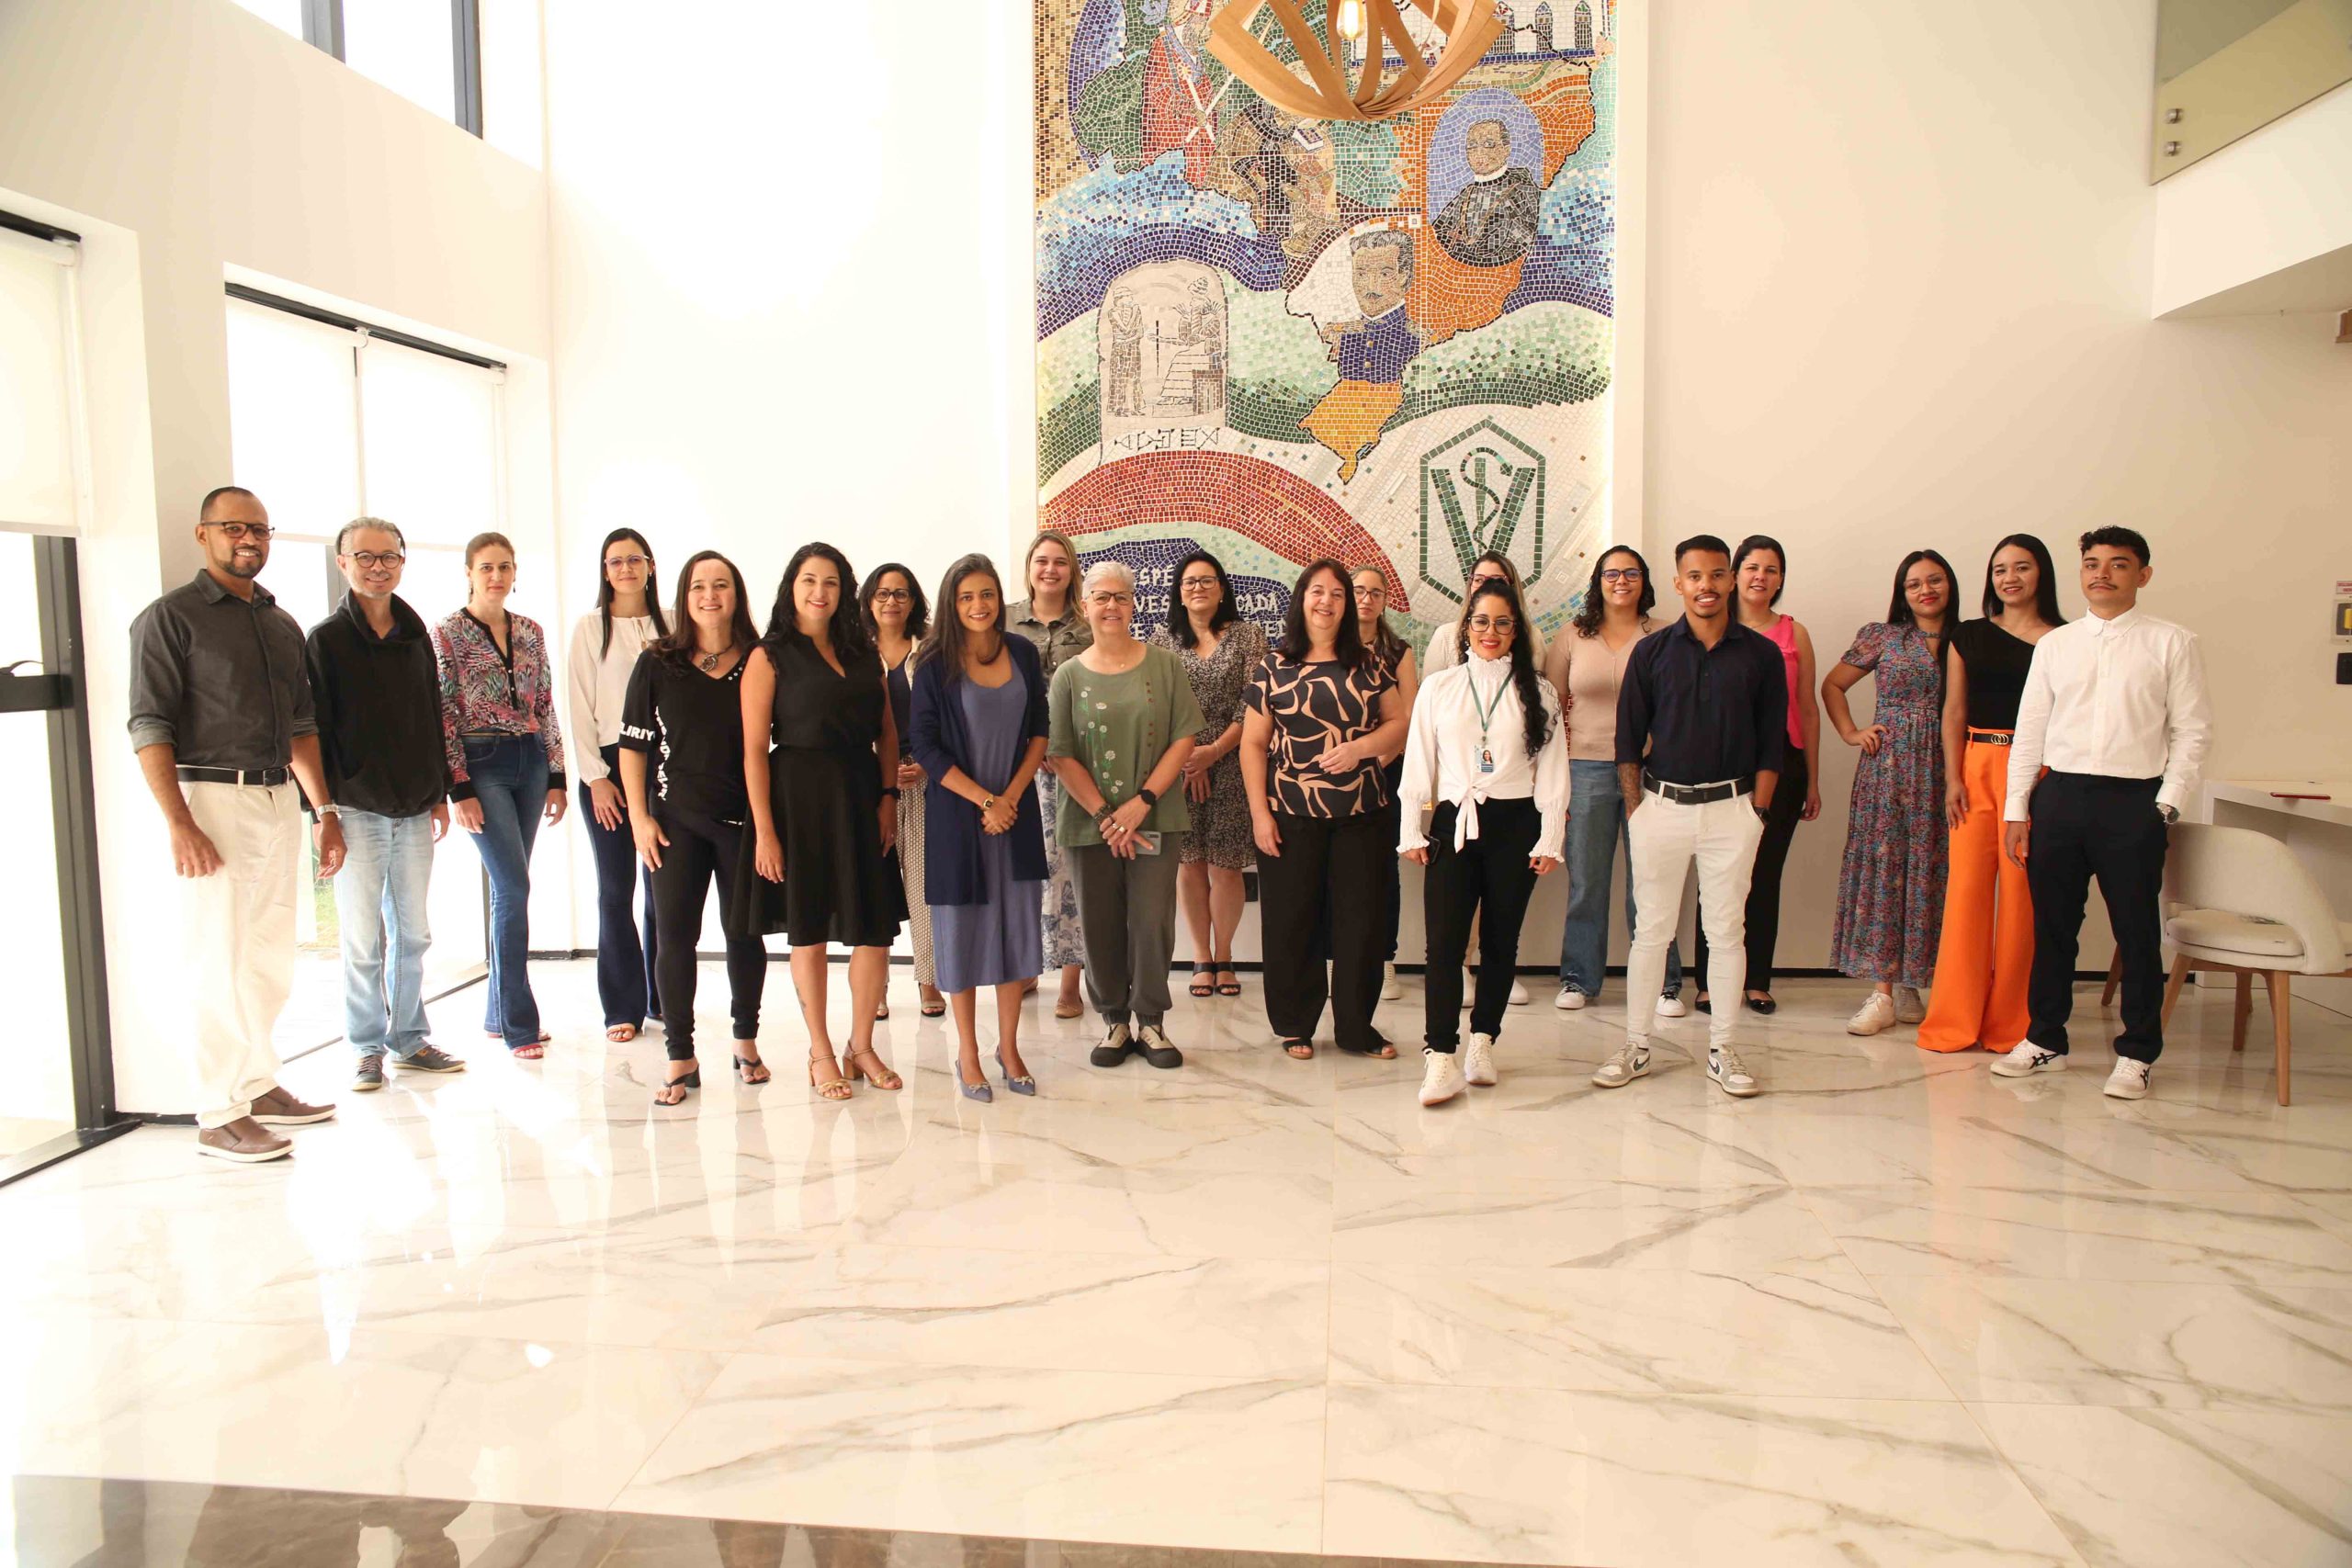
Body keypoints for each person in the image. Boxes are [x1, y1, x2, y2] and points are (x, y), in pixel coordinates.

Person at [129, 486, 342, 1161]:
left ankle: (256, 1083)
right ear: (203, 534)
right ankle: (219, 1112)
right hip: (211, 801)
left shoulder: (279, 625)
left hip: (280, 799)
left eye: (258, 528)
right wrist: (179, 822)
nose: (248, 538)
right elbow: (148, 724)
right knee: (216, 957)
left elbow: (302, 727)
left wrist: (324, 810)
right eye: (233, 528)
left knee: (270, 953)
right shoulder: (170, 619)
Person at [1993, 527, 2210, 1100]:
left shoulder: (2172, 642)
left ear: (2143, 574)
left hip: (2133, 802)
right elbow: (2030, 732)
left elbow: (2192, 731)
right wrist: (2018, 809)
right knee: (2053, 927)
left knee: (2135, 931)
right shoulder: (2055, 645)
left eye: (2118, 564)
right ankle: (2045, 1038)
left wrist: (2167, 804)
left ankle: (2138, 1052)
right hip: (2060, 797)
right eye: (2091, 563)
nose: (2102, 573)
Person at [1595, 535, 1785, 1100]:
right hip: (1662, 807)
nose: (1707, 585)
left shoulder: (1761, 654)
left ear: (1730, 581)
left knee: (1726, 933)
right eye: (1695, 576)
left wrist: (1758, 812)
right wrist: (1638, 812)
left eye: (1717, 574)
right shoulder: (1652, 653)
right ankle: (1636, 1045)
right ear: (1678, 583)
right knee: (1651, 932)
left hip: (1734, 811)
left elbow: (1774, 742)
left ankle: (1723, 1050)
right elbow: (1627, 741)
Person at [736, 543, 906, 1101]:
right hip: (797, 801)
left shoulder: (863, 653)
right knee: (806, 928)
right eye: (809, 580)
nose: (819, 592)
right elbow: (754, 751)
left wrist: (887, 799)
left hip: (860, 797)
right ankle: (820, 1050)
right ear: (791, 586)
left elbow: (887, 734)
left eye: (831, 582)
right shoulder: (769, 655)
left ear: (843, 591)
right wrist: (764, 830)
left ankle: (861, 1045)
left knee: (873, 929)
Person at [304, 517, 466, 1092]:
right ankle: (366, 1045)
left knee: (414, 933)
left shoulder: (415, 632)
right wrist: (325, 813)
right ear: (343, 562)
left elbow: (431, 716)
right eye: (364, 557)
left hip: (416, 806)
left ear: (402, 561)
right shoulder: (325, 640)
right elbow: (314, 730)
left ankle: (410, 1040)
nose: (378, 567)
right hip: (356, 808)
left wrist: (440, 792)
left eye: (388, 557)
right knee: (361, 939)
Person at [1397, 577, 1568, 1106]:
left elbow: (1554, 771)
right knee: (1443, 946)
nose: (1490, 631)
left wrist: (1550, 837)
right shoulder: (1440, 688)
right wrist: (1410, 828)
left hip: (1515, 825)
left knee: (1500, 943)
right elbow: (1419, 763)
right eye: (1481, 621)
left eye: (1501, 622)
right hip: (1454, 822)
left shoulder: (1537, 692)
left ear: (1515, 631)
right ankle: (1440, 1056)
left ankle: (1482, 1043)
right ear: (1464, 629)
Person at [617, 550, 769, 1106]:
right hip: (672, 823)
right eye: (699, 586)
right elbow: (633, 745)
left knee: (744, 935)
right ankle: (680, 1053)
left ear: (737, 594)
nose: (710, 596)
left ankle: (746, 1040)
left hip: (743, 824)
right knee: (675, 937)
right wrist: (638, 817)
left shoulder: (760, 658)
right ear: (684, 597)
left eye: (721, 585)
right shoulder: (658, 661)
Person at [1241, 558, 1408, 1059]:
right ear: (1302, 599)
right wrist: (1259, 814)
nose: (1327, 602)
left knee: (1362, 924)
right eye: (1318, 592)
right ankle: (1295, 1024)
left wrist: (1360, 749)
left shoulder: (1373, 662)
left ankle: (1357, 1028)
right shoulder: (1273, 665)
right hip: (1290, 814)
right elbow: (1253, 744)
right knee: (1292, 920)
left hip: (1363, 814)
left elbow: (1400, 724)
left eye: (1338, 594)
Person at [1049, 560, 1204, 1068]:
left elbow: (1184, 737)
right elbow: (1059, 753)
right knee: (1099, 922)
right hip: (1089, 823)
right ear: (1085, 605)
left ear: (1134, 604)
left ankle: (1152, 1022)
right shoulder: (1067, 677)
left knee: (1152, 921)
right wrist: (1105, 816)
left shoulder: (1165, 666)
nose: (1111, 606)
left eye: (1120, 597)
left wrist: (1140, 804)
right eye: (1101, 597)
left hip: (1155, 816)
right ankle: (1114, 1020)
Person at [910, 554, 1053, 1100]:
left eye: (987, 594)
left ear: (1001, 597)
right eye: (966, 596)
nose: (978, 605)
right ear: (952, 602)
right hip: (957, 818)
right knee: (963, 935)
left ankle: (1009, 1046)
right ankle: (967, 1052)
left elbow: (1039, 728)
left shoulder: (1020, 651)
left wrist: (1010, 798)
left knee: (1016, 932)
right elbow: (924, 744)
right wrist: (985, 800)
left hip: (1012, 815)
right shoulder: (935, 663)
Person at [1917, 536, 2064, 1055]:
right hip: (1975, 766)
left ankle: (2013, 1024)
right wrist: (1952, 777)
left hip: (2038, 773)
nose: (2009, 578)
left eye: (2021, 568)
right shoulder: (1970, 635)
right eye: (2000, 569)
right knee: (1967, 895)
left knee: (2023, 899)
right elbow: (1953, 711)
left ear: (2040, 574)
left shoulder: (2064, 639)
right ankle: (1955, 1019)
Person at [435, 532, 568, 1059]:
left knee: (508, 889)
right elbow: (443, 713)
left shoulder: (531, 632)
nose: (497, 577)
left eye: (505, 567)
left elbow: (546, 703)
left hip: (530, 760)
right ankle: (518, 1023)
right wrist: (458, 786)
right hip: (481, 762)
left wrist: (557, 774)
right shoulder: (446, 634)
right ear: (468, 571)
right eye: (487, 567)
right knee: (513, 889)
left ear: (516, 573)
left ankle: (495, 1012)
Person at [1544, 546, 1682, 1015]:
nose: (1621, 580)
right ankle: (1579, 979)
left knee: (1651, 879)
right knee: (1588, 881)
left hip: (1652, 771)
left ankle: (1664, 984)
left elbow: (1681, 710)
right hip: (1586, 767)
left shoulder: (1665, 635)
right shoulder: (1571, 637)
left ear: (1644, 580)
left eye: (1631, 572)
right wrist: (1556, 780)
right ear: (1597, 581)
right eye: (1611, 573)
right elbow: (1552, 712)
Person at [1824, 549, 1955, 1035]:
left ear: (1950, 584)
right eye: (1914, 583)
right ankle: (1880, 992)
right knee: (1887, 867)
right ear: (1902, 593)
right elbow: (1833, 685)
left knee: (1932, 870)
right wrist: (1851, 732)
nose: (1926, 590)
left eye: (1935, 580)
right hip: (1890, 767)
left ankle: (1912, 984)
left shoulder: (1971, 637)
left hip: (1948, 767)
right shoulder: (1884, 636)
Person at [1692, 536, 1823, 1015]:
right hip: (1726, 765)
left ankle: (1757, 980)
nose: (1759, 577)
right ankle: (1708, 981)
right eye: (1751, 567)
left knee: (1765, 875)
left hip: (1783, 763)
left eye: (1771, 569)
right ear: (1732, 575)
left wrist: (1811, 778)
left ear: (1780, 579)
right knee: (1718, 874)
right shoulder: (1713, 628)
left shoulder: (1794, 633)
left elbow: (1807, 709)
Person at [1428, 549, 1547, 1006]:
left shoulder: (1531, 638)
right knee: (1453, 905)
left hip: (1509, 788)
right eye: (1479, 579)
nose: (1486, 586)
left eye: (1497, 580)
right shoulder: (1446, 637)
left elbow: (1534, 716)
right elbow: (1435, 722)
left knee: (1500, 908)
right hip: (1459, 790)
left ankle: (1487, 967)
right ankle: (1458, 968)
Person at [566, 528, 668, 1043]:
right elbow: (579, 709)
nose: (625, 569)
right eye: (614, 561)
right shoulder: (589, 629)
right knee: (615, 889)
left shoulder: (672, 624)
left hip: (663, 764)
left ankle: (662, 996)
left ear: (650, 565)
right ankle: (620, 1007)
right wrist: (595, 779)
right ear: (604, 571)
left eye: (634, 559)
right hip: (605, 767)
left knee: (661, 888)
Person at [1153, 549, 1267, 999]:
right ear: (1178, 593)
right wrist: (1189, 758)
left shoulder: (1247, 635)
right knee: (1189, 862)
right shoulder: (1162, 641)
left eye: (1207, 580)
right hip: (1180, 764)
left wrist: (1214, 751)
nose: (1198, 588)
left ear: (1222, 589)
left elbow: (1254, 701)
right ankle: (1200, 956)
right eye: (1189, 582)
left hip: (1237, 761)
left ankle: (1225, 956)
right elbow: (1159, 706)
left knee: (1226, 866)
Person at [1008, 529, 1093, 1019]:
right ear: (1029, 567)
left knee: (1070, 870)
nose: (1050, 570)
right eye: (1042, 561)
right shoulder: (1004, 620)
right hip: (1016, 764)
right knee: (1024, 869)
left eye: (1060, 562)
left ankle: (1070, 981)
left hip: (1074, 763)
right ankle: (1025, 967)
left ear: (1071, 570)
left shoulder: (1088, 624)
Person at [863, 562, 944, 1019]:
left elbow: (948, 719)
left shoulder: (932, 652)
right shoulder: (853, 653)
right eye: (881, 594)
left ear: (914, 601)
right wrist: (884, 771)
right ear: (868, 602)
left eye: (900, 593)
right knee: (875, 884)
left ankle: (927, 980)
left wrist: (924, 768)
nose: (891, 601)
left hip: (925, 779)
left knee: (923, 883)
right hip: (870, 783)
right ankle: (876, 985)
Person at [1303, 230, 1421, 480]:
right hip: (1338, 411)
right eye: (1361, 274)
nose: (1371, 286)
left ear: (1404, 276)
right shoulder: (1343, 332)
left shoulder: (1415, 336)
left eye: (1385, 274)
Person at [1353, 565, 1419, 999]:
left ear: (1384, 601)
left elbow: (1410, 717)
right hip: (1330, 770)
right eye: (1358, 590)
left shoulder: (1398, 651)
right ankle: (1336, 956)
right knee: (1335, 867)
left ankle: (1385, 958)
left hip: (1386, 771)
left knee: (1382, 867)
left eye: (1375, 592)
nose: (1366, 599)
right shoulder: (1326, 646)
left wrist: (1379, 759)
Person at [1432, 118, 1544, 266]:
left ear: (1506, 149)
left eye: (1488, 144)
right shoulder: (1465, 195)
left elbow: (1530, 242)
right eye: (1472, 146)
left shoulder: (1524, 192)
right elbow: (1436, 237)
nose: (1479, 153)